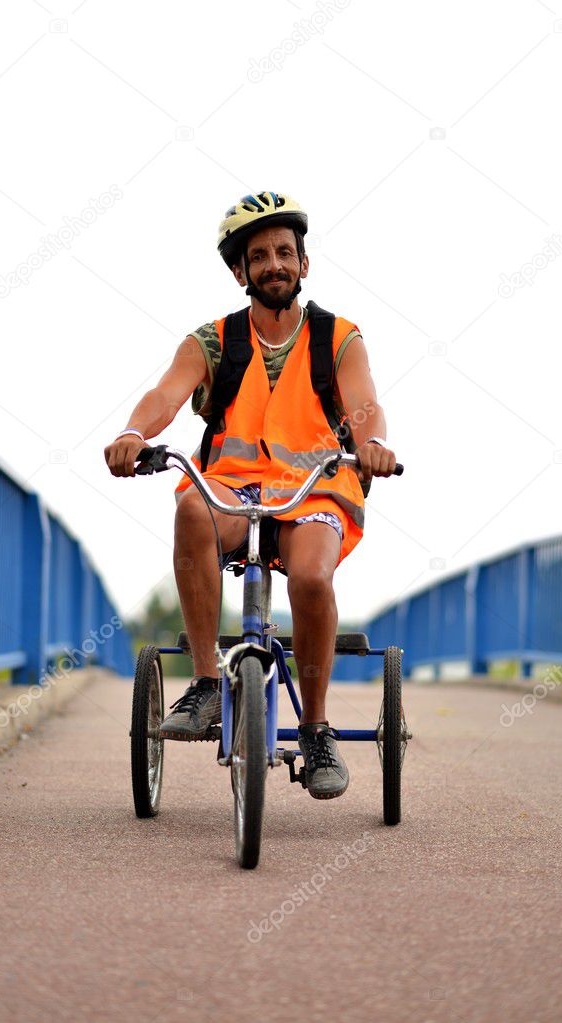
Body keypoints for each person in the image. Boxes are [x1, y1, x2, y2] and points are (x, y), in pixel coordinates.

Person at [104, 192, 396, 800]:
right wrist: (135, 432)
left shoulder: (337, 338)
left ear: (304, 264)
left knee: (312, 578)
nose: (274, 264)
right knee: (189, 508)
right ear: (241, 272)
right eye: (258, 256)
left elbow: (365, 405)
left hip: (316, 484)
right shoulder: (212, 342)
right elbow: (165, 396)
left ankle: (316, 731)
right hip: (230, 486)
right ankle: (208, 683)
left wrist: (373, 445)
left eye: (285, 252)